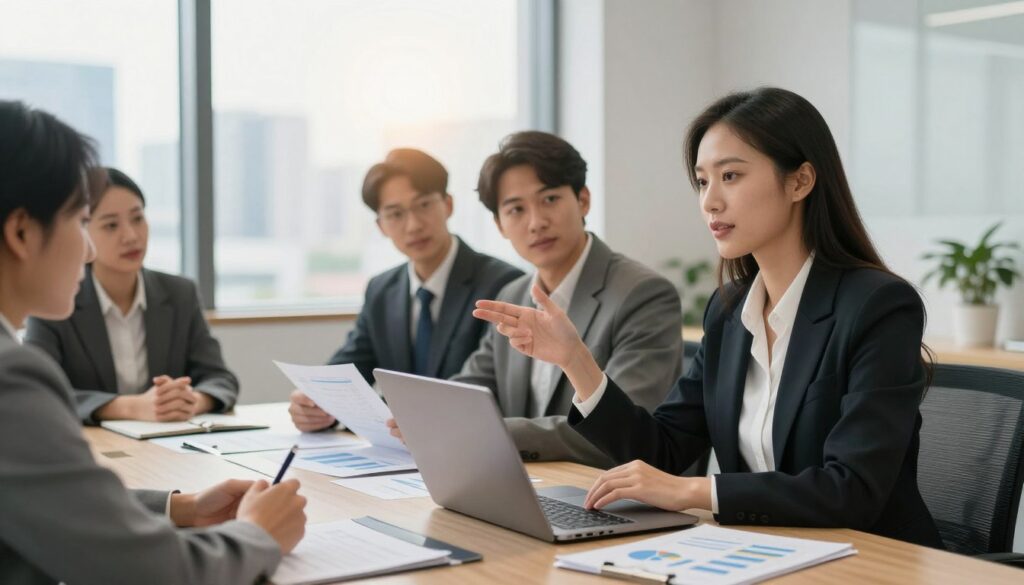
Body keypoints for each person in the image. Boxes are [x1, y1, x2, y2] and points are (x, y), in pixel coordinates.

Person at [473, 89, 944, 547]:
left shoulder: (878, 307)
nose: (710, 201)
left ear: (799, 181)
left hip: (870, 561)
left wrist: (693, 491)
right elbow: (664, 450)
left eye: (731, 176)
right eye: (702, 181)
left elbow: (852, 488)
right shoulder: (729, 312)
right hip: (762, 549)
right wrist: (575, 359)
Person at [0, 100, 306, 584]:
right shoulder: (10, 376)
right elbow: (151, 571)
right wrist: (259, 535)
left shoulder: (176, 292)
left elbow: (50, 499)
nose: (87, 248)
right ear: (21, 231)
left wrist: (180, 507)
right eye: (83, 222)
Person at [388, 131, 683, 468]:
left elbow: (624, 427)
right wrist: (421, 414)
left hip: (620, 495)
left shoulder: (642, 294)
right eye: (516, 209)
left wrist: (490, 433)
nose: (536, 222)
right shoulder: (513, 295)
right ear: (500, 225)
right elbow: (470, 389)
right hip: (538, 488)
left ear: (583, 200)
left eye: (550, 200)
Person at [288, 148, 522, 432]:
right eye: (395, 214)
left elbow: (502, 391)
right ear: (381, 226)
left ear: (448, 205)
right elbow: (349, 370)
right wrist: (316, 404)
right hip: (399, 452)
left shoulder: (504, 285)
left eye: (423, 205)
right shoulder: (382, 290)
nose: (413, 225)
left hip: (470, 445)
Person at [25, 168, 239, 424]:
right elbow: (37, 391)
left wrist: (190, 401)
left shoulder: (180, 293)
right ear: (83, 231)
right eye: (111, 225)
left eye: (137, 219)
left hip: (167, 450)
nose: (131, 236)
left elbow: (220, 379)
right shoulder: (54, 299)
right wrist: (128, 407)